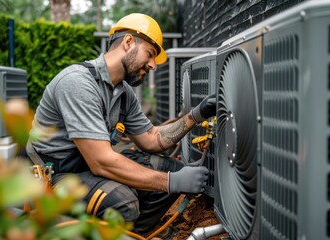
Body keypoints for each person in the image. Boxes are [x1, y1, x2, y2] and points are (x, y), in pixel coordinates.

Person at [26, 13, 216, 235]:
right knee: (123, 201)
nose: (153, 65)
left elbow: (152, 139)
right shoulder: (78, 83)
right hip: (52, 178)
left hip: (84, 170)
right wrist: (170, 182)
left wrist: (195, 116)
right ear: (128, 43)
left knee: (170, 168)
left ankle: (135, 235)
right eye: (150, 54)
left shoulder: (123, 93)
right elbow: (102, 162)